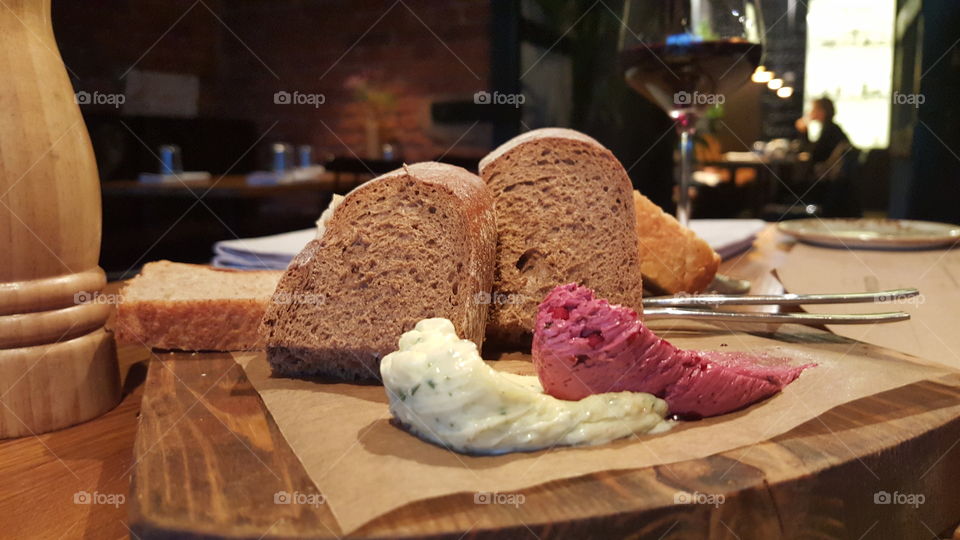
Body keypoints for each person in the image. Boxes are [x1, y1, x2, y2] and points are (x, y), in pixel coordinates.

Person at [795, 97, 851, 164]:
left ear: (822, 112)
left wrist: (804, 132)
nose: (810, 112)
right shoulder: (830, 127)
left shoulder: (830, 130)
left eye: (813, 109)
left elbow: (816, 154)